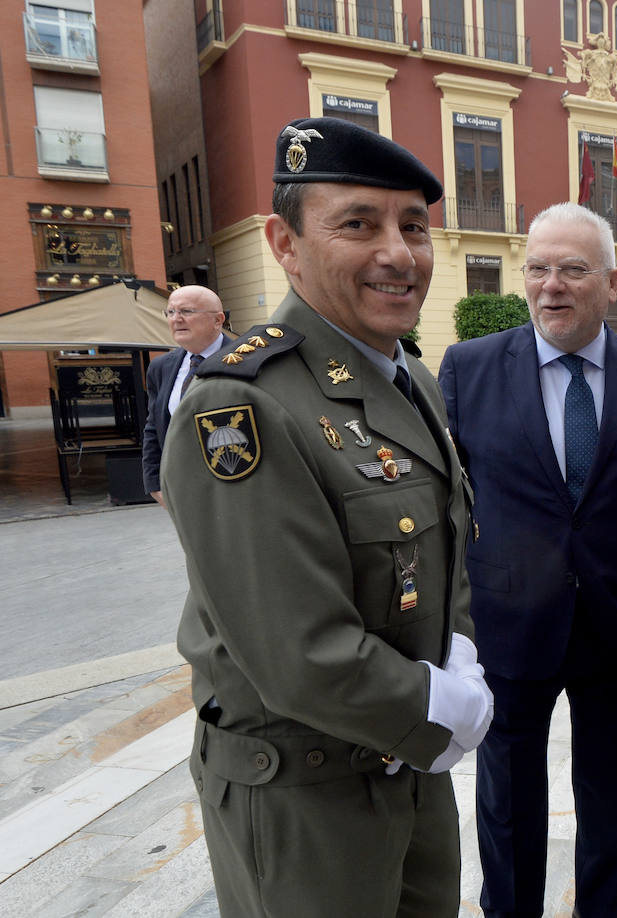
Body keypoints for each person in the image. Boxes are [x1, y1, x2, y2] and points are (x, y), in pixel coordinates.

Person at [160, 117, 493, 917]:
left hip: (408, 774)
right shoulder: (242, 406)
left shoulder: (410, 378)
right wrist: (440, 708)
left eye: (413, 226)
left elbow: (442, 544)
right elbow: (299, 651)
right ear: (285, 243)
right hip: (306, 797)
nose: (399, 253)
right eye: (359, 224)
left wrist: (460, 653)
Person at [438, 203, 617, 916]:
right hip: (509, 626)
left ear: (613, 283)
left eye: (573, 269)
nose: (552, 285)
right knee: (508, 802)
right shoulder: (468, 368)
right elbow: (443, 499)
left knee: (612, 798)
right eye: (539, 268)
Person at [141, 285, 229, 506]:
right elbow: (154, 427)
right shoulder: (161, 367)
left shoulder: (246, 359)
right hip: (183, 489)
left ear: (218, 320)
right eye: (171, 312)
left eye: (187, 311)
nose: (176, 319)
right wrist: (154, 484)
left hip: (234, 483)